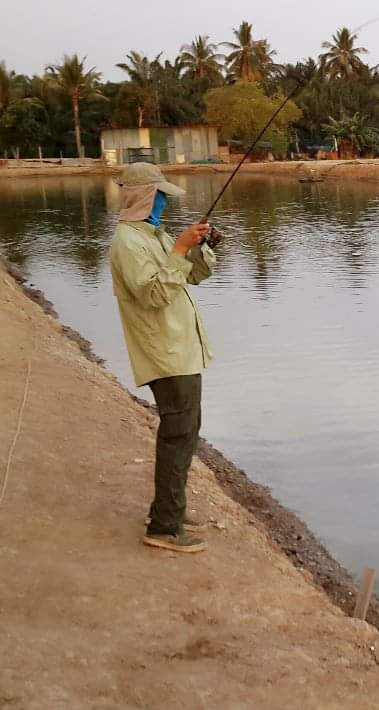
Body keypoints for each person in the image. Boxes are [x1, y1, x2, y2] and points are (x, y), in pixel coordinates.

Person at [109, 162, 220, 553]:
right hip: (166, 355)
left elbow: (191, 277)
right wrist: (179, 249)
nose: (164, 204)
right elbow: (154, 294)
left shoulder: (152, 236)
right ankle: (163, 528)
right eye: (159, 196)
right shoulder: (128, 243)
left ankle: (170, 509)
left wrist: (201, 247)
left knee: (186, 433)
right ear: (144, 197)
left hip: (182, 351)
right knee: (178, 435)